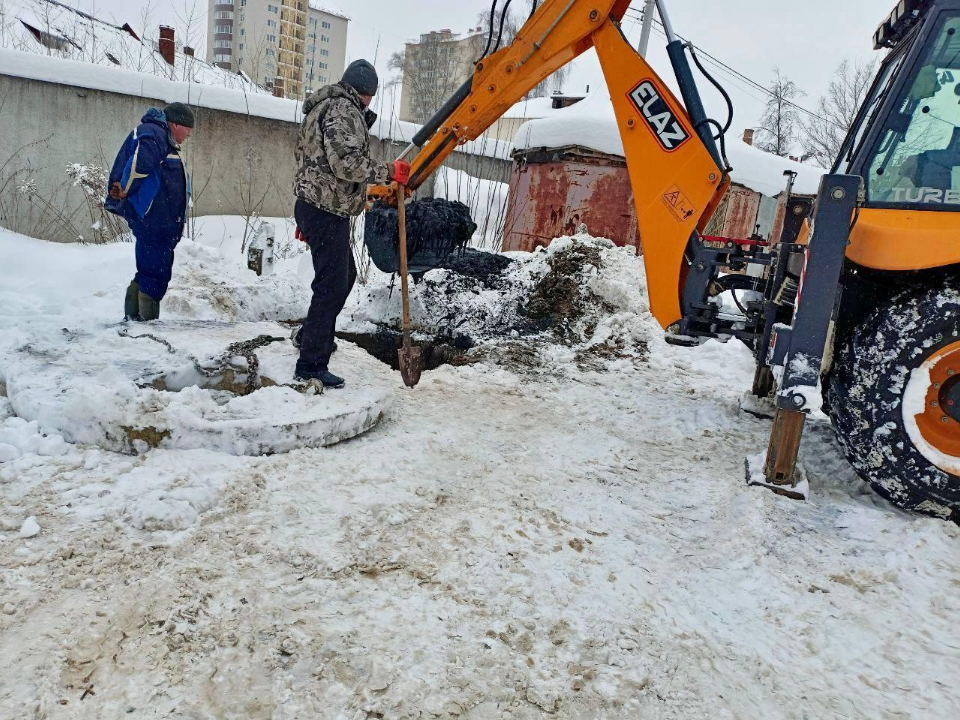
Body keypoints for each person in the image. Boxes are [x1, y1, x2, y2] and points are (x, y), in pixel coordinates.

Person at [292, 59, 410, 389]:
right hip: (326, 210)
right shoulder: (343, 109)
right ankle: (311, 365)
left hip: (317, 206)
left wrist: (307, 209)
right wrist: (389, 171)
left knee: (343, 277)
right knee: (331, 285)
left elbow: (309, 159)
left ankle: (310, 335)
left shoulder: (322, 106)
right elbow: (345, 164)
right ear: (367, 93)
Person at [105, 102, 194, 321]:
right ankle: (147, 325)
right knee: (155, 274)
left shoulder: (159, 135)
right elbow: (139, 165)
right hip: (154, 220)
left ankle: (133, 320)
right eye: (188, 129)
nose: (189, 134)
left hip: (156, 221)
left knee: (147, 271)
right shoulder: (155, 134)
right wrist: (124, 189)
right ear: (175, 124)